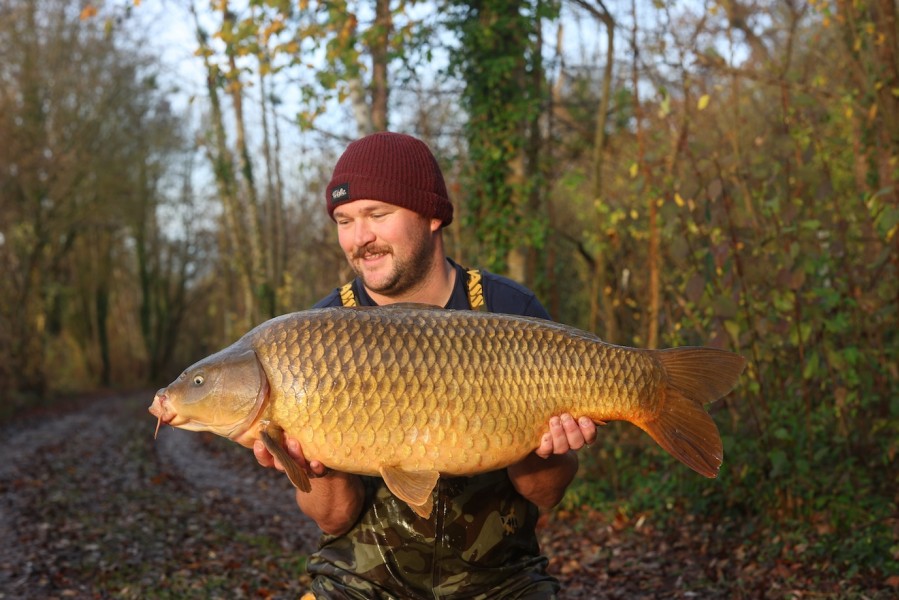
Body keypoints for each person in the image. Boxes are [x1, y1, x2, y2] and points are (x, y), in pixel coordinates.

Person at [253, 131, 597, 598]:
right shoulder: (317, 338)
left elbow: (545, 493)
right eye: (344, 220)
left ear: (433, 214)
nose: (360, 238)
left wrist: (546, 448)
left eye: (378, 214)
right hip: (357, 584)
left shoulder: (508, 310)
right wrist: (312, 463)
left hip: (501, 582)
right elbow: (333, 517)